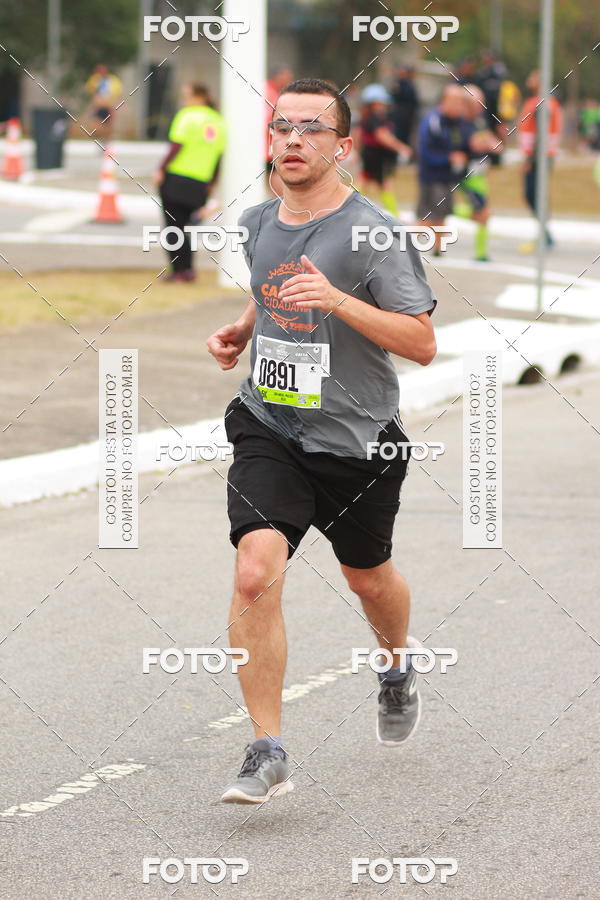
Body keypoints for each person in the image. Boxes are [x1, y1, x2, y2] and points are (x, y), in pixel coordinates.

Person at [206, 77, 437, 804]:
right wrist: (245, 328)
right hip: (270, 422)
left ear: (342, 146)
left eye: (311, 129)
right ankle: (267, 747)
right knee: (255, 570)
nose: (293, 141)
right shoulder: (255, 222)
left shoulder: (374, 233)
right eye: (283, 128)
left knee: (367, 577)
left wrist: (338, 300)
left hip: (357, 439)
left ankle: (395, 663)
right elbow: (270, 281)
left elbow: (423, 342)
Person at [154, 83, 226, 282]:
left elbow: (177, 145)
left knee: (173, 228)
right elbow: (219, 155)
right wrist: (212, 181)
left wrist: (161, 168)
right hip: (200, 181)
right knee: (187, 228)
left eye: (187, 95)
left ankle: (180, 270)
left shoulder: (187, 116)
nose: (184, 99)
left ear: (200, 96)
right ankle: (188, 269)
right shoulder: (218, 121)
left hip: (177, 177)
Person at [416, 84, 472, 255]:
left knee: (442, 213)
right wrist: (447, 158)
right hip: (433, 176)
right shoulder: (433, 121)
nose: (458, 106)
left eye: (461, 102)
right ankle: (402, 247)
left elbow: (465, 145)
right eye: (455, 101)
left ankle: (438, 249)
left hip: (448, 176)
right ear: (444, 101)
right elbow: (425, 151)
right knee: (430, 215)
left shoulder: (458, 123)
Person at [455, 84, 502, 262]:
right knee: (484, 213)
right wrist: (486, 143)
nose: (479, 107)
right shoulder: (460, 122)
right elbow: (473, 143)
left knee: (485, 213)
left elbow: (490, 141)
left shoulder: (479, 120)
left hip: (480, 175)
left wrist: (490, 142)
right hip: (467, 176)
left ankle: (481, 253)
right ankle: (444, 212)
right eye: (476, 104)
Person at [517, 70, 562, 250]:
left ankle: (545, 235)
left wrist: (530, 159)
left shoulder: (544, 104)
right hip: (537, 156)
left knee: (534, 194)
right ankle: (545, 233)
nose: (529, 80)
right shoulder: (537, 102)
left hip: (539, 157)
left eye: (533, 77)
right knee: (534, 194)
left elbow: (540, 134)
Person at [358, 84, 412, 216]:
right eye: (381, 103)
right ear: (373, 103)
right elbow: (382, 136)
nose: (384, 105)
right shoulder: (374, 118)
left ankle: (349, 208)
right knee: (383, 185)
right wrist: (400, 147)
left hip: (373, 155)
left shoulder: (373, 117)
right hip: (375, 156)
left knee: (365, 182)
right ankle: (395, 215)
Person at [265, 66, 294, 194]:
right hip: (267, 146)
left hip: (270, 145)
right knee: (275, 173)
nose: (289, 81)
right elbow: (268, 120)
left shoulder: (275, 93)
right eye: (286, 77)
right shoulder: (267, 92)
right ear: (278, 77)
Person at [85, 64, 123, 140]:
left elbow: (117, 93)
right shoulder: (94, 80)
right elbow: (90, 91)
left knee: (108, 126)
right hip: (98, 107)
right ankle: (100, 140)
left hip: (108, 107)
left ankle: (106, 142)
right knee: (95, 126)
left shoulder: (113, 80)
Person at [389, 65, 419, 147]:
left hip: (407, 115)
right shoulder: (398, 83)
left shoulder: (410, 85)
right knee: (398, 134)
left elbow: (413, 101)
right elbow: (393, 97)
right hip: (399, 114)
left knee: (405, 135)